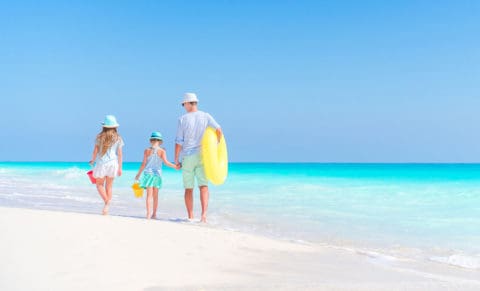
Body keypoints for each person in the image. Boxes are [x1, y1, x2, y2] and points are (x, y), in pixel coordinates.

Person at [174, 93, 222, 223]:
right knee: (203, 186)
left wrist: (176, 159)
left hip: (188, 157)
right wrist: (216, 144)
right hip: (202, 156)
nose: (184, 106)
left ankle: (190, 216)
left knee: (188, 188)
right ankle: (203, 216)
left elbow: (179, 141)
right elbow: (219, 129)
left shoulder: (182, 119)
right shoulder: (206, 116)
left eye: (184, 104)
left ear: (189, 103)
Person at [135, 131, 177, 219]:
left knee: (149, 196)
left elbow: (143, 164)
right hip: (157, 175)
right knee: (155, 196)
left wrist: (138, 175)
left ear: (151, 141)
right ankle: (154, 214)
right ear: (160, 141)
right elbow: (166, 163)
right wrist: (175, 166)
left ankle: (148, 214)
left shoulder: (147, 150)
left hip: (148, 174)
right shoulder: (162, 151)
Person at [89, 115, 124, 215]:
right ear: (115, 127)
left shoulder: (99, 137)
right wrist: (120, 168)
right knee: (109, 187)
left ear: (104, 126)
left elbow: (95, 151)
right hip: (113, 164)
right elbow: (120, 154)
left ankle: (107, 202)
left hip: (101, 163)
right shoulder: (118, 138)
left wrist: (92, 160)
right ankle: (107, 206)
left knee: (99, 184)